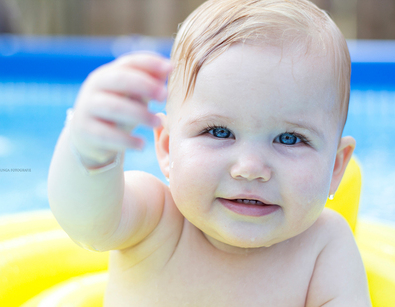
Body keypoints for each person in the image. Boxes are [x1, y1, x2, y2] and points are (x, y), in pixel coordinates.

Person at [48, 0, 371, 305]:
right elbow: (87, 224)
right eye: (218, 132)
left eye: (289, 139)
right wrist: (89, 150)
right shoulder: (154, 217)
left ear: (336, 167)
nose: (250, 168)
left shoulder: (326, 248)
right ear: (166, 147)